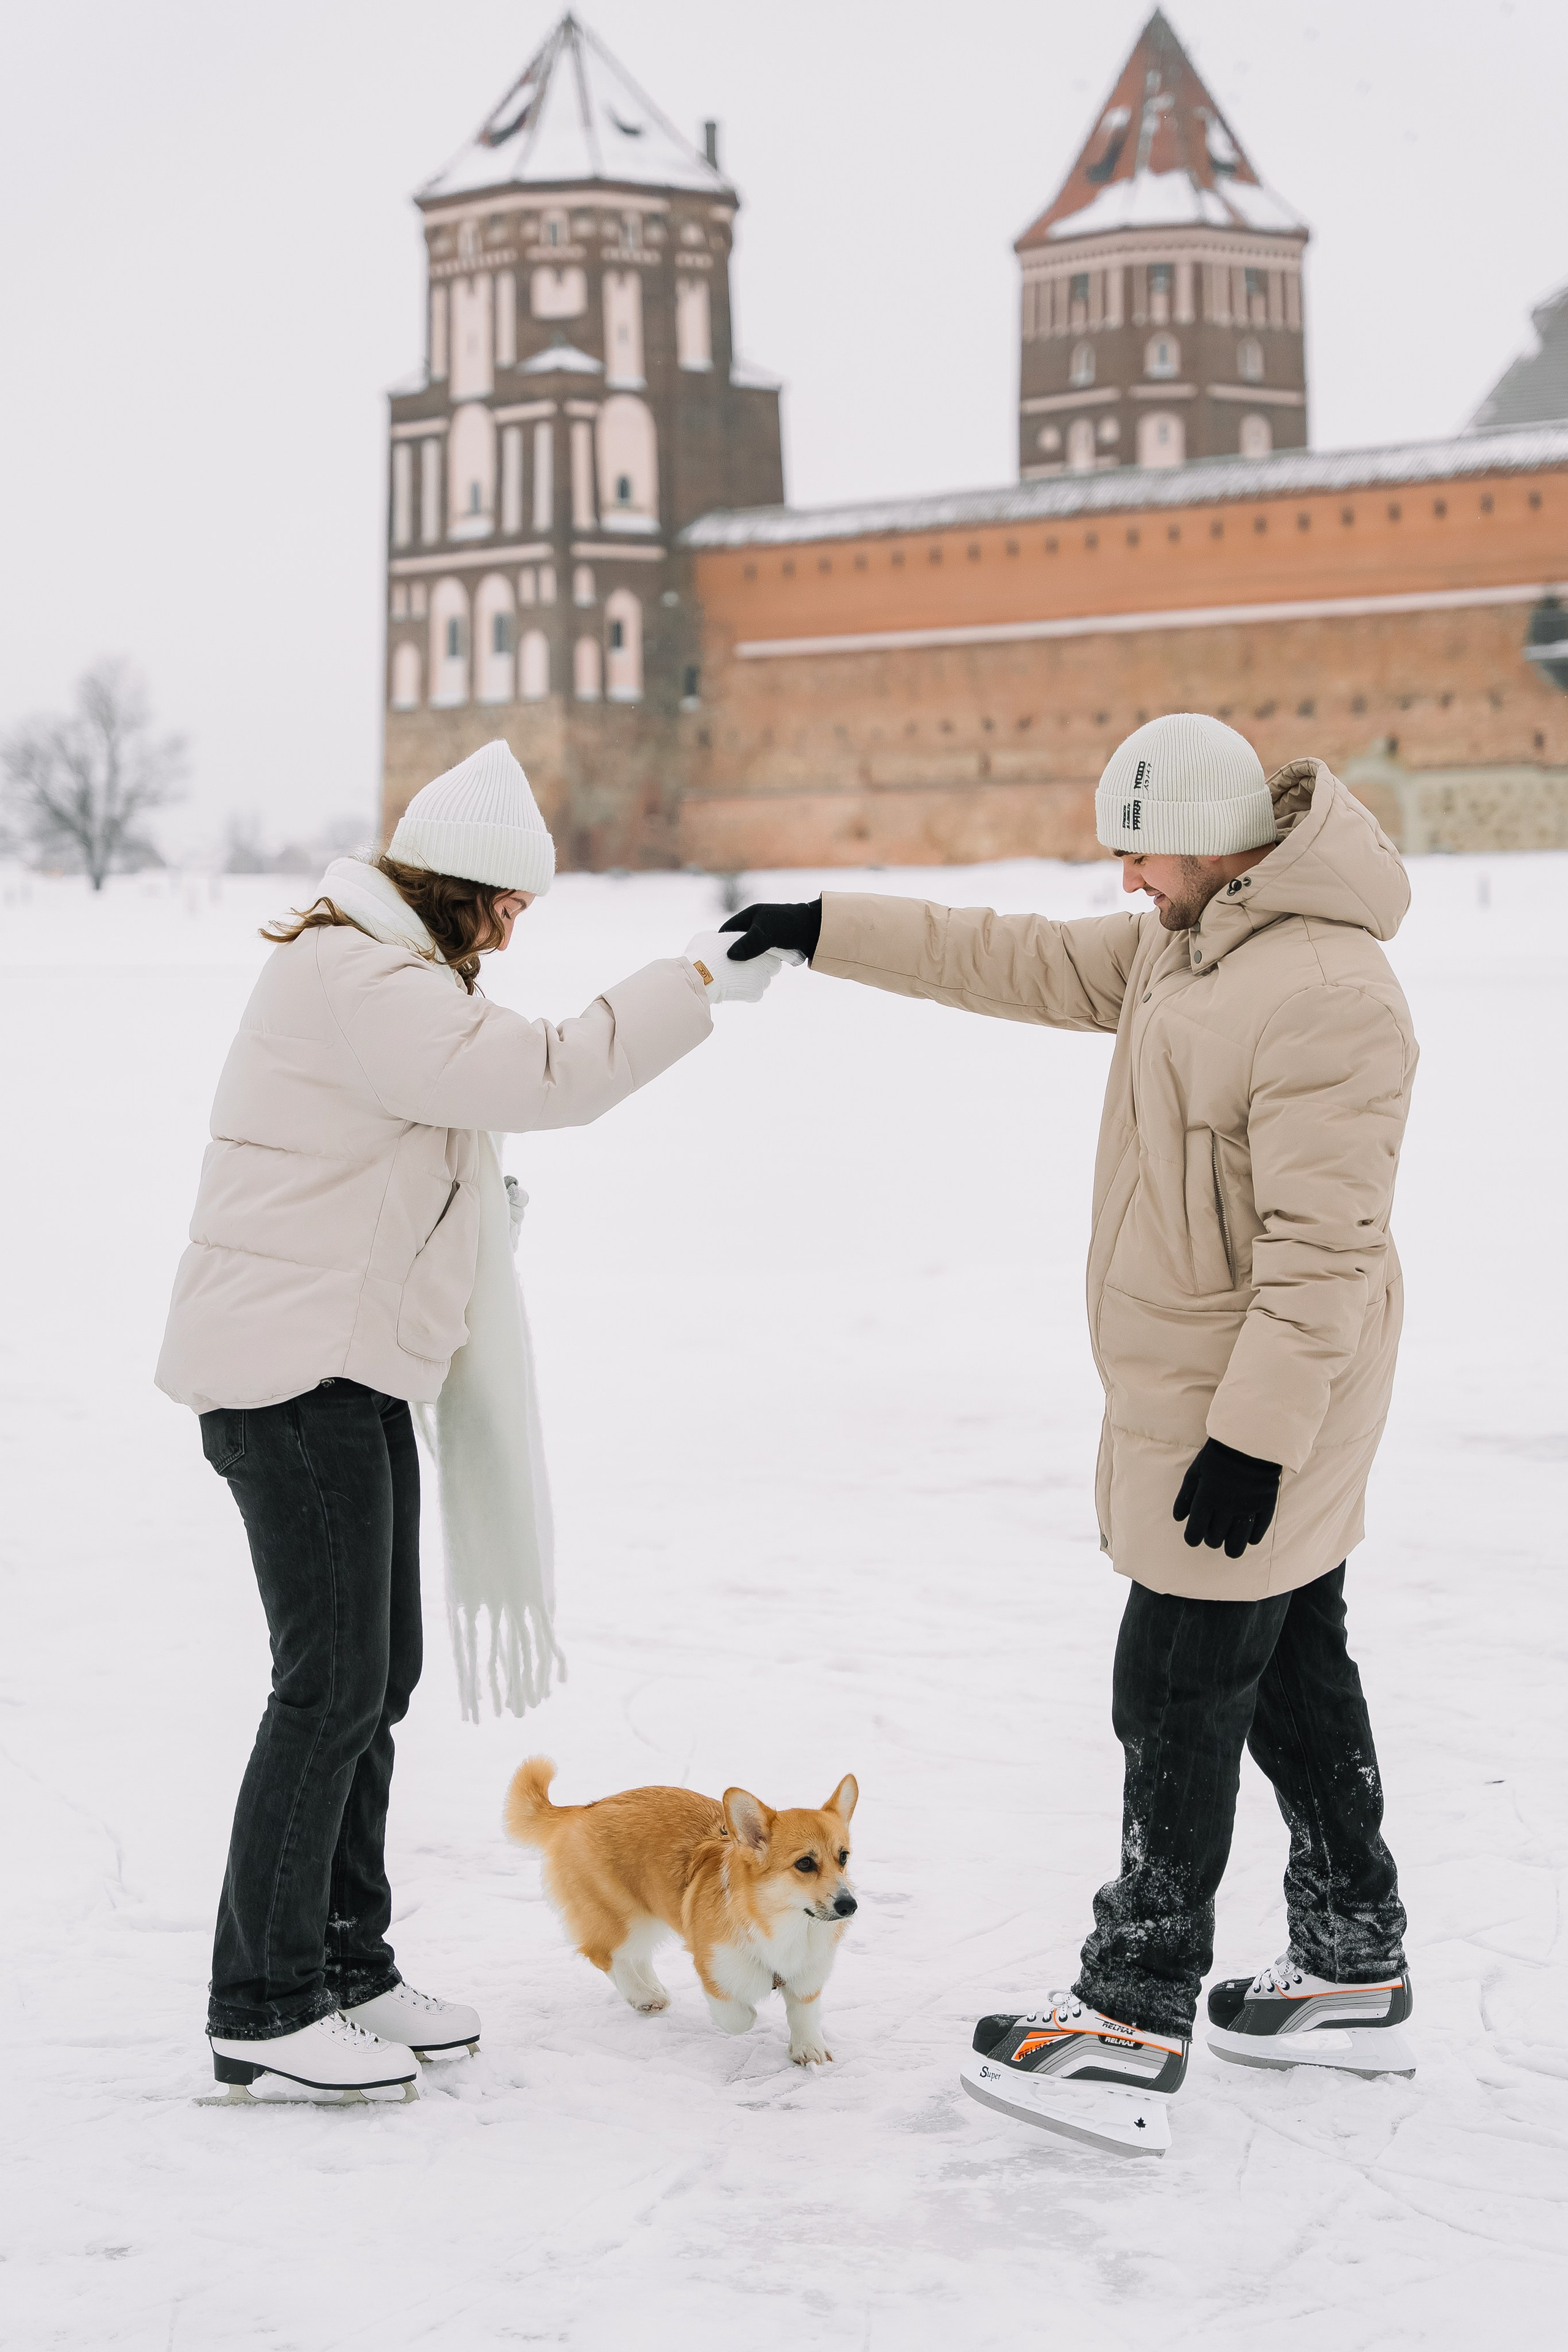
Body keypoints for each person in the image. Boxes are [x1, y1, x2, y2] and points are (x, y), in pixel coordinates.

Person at [722, 713, 1419, 2150]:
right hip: (1206, 1389)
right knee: (1290, 1666)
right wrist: (824, 926)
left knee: (1172, 1685)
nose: (1123, 881)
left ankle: (1129, 2009)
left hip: (1255, 1401)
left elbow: (1325, 1251)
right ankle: (1351, 1958)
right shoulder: (1192, 942)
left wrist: (1254, 1438)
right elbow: (1017, 959)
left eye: (1139, 852)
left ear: (1214, 841)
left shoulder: (1326, 994)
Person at [157, 740, 776, 2104]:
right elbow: (550, 1076)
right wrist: (692, 985)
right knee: (327, 1688)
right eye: (508, 903)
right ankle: (263, 2002)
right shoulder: (360, 978)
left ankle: (345, 1966)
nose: (512, 929)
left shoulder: (388, 975)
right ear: (457, 887)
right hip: (290, 1377)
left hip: (346, 1370)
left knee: (374, 1681)